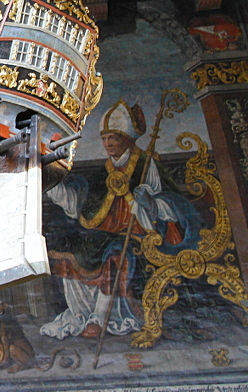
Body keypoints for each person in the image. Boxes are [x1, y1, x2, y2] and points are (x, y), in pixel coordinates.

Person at [40, 100, 202, 339]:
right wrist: (57, 187)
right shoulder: (103, 171)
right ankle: (80, 313)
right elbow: (80, 207)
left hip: (140, 235)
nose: (108, 144)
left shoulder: (146, 165)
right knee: (68, 247)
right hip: (103, 233)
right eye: (104, 139)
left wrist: (149, 203)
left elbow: (173, 205)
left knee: (116, 254)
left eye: (113, 138)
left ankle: (100, 317)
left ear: (126, 139)